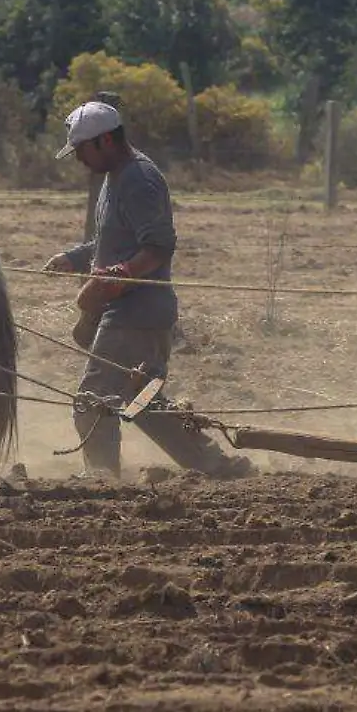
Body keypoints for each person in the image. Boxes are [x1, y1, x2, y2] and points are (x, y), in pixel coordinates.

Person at [43, 101, 252, 480]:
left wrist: (118, 277)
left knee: (93, 401)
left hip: (136, 313)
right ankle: (218, 467)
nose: (79, 160)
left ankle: (102, 480)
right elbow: (116, 238)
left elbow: (158, 246)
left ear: (105, 140)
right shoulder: (114, 178)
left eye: (82, 150)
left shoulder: (139, 178)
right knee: (141, 402)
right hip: (134, 312)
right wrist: (75, 258)